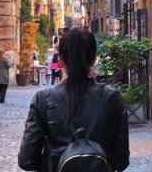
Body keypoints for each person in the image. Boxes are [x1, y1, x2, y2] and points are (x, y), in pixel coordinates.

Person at [18, 27, 130, 171]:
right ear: (94, 59)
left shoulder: (43, 99)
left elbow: (27, 160)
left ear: (61, 61)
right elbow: (121, 161)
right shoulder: (111, 98)